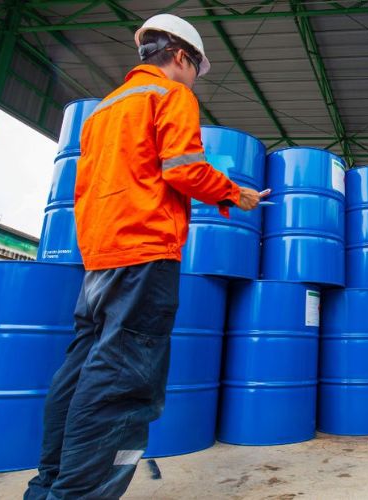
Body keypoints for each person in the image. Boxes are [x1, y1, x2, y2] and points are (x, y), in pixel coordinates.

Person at [24, 14, 264, 499]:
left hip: (101, 255)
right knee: (123, 379)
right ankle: (79, 494)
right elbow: (184, 169)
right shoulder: (170, 95)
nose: (195, 78)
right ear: (181, 56)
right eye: (196, 68)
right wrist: (233, 194)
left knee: (80, 371)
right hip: (145, 251)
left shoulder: (105, 109)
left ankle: (47, 484)